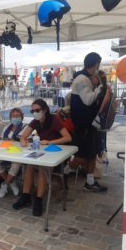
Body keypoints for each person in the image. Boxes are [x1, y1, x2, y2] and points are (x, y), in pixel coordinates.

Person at [12, 99, 72, 216]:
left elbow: (67, 137)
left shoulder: (54, 120)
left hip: (56, 153)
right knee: (29, 165)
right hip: (42, 152)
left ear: (44, 110)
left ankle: (39, 200)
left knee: (42, 168)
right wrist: (23, 140)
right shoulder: (36, 121)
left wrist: (50, 142)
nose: (35, 112)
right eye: (32, 110)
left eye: (37, 110)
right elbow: (24, 135)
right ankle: (26, 196)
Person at [65, 52, 111, 192]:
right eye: (98, 64)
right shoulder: (82, 79)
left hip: (89, 123)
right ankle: (64, 172)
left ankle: (90, 182)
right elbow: (89, 100)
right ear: (96, 64)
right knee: (81, 155)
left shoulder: (85, 78)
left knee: (92, 153)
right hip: (84, 124)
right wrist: (100, 89)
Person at [0, 108, 26, 198]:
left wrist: (15, 141)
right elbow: (1, 139)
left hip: (18, 154)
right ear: (10, 118)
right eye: (13, 116)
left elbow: (27, 142)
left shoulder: (25, 127)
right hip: (5, 153)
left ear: (22, 117)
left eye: (17, 116)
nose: (15, 118)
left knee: (16, 163)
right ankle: (11, 182)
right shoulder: (7, 127)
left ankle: (5, 184)